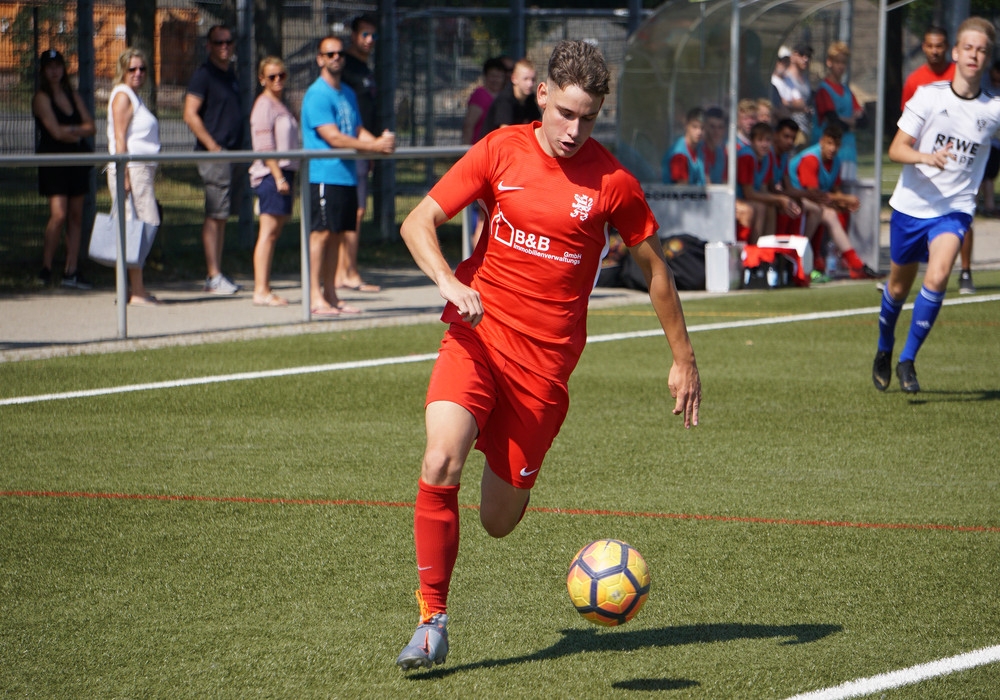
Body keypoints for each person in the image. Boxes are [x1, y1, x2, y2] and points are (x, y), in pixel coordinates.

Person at [394, 39, 701, 671]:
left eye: (588, 118)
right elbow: (416, 222)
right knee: (440, 458)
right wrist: (449, 283)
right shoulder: (499, 149)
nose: (573, 130)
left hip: (543, 373)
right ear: (542, 96)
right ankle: (431, 621)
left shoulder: (613, 183)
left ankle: (511, 472)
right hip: (477, 338)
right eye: (565, 113)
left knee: (498, 521)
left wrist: (683, 359)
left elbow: (657, 273)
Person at [872, 17, 1000, 394]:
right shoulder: (929, 96)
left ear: (988, 57)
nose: (974, 54)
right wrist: (925, 157)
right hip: (911, 206)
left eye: (982, 50)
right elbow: (896, 149)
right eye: (968, 47)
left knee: (939, 274)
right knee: (897, 289)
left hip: (954, 209)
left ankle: (907, 360)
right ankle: (884, 347)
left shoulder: (993, 109)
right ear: (955, 53)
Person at [300, 35, 395, 317]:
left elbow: (356, 130)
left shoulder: (348, 94)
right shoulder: (317, 94)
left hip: (346, 175)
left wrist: (380, 143)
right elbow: (333, 137)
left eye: (339, 53)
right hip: (323, 175)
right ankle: (314, 296)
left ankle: (331, 294)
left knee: (337, 235)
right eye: (330, 54)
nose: (336, 58)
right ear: (320, 59)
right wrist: (373, 147)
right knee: (320, 235)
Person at [901, 26, 974, 294]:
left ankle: (965, 271)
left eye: (939, 46)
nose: (934, 51)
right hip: (926, 161)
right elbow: (907, 124)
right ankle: (902, 275)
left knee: (962, 211)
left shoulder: (960, 75)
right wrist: (921, 155)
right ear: (923, 47)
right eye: (930, 46)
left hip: (959, 157)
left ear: (949, 49)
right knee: (918, 215)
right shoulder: (915, 81)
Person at [184, 24, 244, 295]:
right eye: (219, 42)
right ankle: (213, 274)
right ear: (209, 46)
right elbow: (190, 113)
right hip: (215, 155)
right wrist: (212, 146)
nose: (225, 46)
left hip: (232, 153)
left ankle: (217, 274)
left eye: (228, 41)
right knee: (214, 214)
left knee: (222, 216)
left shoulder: (230, 74)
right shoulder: (204, 75)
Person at [32, 49, 95, 289]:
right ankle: (46, 268)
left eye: (58, 66)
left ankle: (71, 270)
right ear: (43, 71)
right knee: (59, 215)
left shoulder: (72, 95)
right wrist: (76, 132)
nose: (55, 71)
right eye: (50, 67)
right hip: (54, 161)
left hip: (76, 161)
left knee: (76, 216)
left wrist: (72, 131)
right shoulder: (41, 98)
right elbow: (55, 132)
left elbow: (90, 127)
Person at [789, 122, 879, 280]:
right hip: (797, 198)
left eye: (836, 144)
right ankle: (806, 257)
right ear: (821, 141)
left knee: (840, 211)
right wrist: (844, 198)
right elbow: (813, 193)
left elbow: (834, 190)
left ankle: (844, 261)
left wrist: (842, 202)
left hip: (815, 200)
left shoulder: (836, 161)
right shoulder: (811, 159)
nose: (833, 148)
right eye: (829, 143)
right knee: (826, 213)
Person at [107, 48, 160, 305]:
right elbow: (120, 139)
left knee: (136, 227)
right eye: (132, 69)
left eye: (142, 69)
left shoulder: (134, 96)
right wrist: (124, 174)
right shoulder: (122, 96)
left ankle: (134, 289)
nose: (138, 73)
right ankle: (134, 290)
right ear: (123, 71)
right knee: (142, 225)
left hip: (143, 170)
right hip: (132, 169)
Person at [336, 14, 382, 293]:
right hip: (352, 147)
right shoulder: (347, 68)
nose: (369, 40)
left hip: (365, 148)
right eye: (364, 34)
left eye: (373, 35)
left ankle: (345, 270)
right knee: (354, 210)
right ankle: (347, 272)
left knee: (357, 210)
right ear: (353, 36)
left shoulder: (365, 68)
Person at [248, 56, 298, 307]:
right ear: (262, 79)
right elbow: (264, 145)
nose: (277, 80)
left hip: (285, 173)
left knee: (274, 233)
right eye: (271, 76)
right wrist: (278, 176)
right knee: (267, 233)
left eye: (282, 75)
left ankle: (265, 287)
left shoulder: (280, 104)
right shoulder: (263, 105)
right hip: (271, 175)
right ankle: (261, 290)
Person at [736, 121, 800, 243]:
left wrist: (781, 200)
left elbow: (763, 189)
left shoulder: (766, 158)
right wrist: (780, 199)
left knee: (770, 206)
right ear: (752, 141)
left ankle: (767, 248)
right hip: (738, 198)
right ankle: (754, 248)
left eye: (767, 140)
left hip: (748, 197)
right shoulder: (747, 156)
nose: (764, 144)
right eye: (760, 140)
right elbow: (749, 193)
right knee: (761, 207)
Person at [814, 42, 865, 181]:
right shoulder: (824, 90)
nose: (841, 66)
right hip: (830, 154)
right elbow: (834, 122)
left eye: (844, 62)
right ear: (829, 62)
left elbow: (863, 121)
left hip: (849, 151)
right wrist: (850, 121)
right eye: (837, 62)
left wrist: (843, 120)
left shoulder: (847, 91)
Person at [482, 58, 540, 135]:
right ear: (514, 79)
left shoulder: (530, 99)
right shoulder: (505, 100)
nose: (530, 84)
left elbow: (538, 126)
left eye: (533, 79)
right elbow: (505, 134)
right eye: (525, 79)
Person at [460, 56, 507, 145]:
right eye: (493, 76)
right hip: (479, 146)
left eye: (499, 76)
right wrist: (467, 148)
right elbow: (469, 124)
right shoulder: (480, 95)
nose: (496, 80)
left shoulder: (505, 96)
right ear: (485, 76)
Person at [662, 107, 706, 185]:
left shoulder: (700, 149)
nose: (699, 132)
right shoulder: (679, 155)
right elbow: (682, 189)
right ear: (686, 126)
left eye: (702, 128)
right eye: (694, 127)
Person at [783, 44, 814, 143]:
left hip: (804, 128)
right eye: (801, 55)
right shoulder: (786, 77)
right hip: (790, 128)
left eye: (808, 56)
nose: (805, 59)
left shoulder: (805, 79)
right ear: (793, 56)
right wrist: (799, 106)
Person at [701, 106, 728, 184]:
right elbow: (707, 185)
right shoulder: (699, 151)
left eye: (720, 127)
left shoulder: (723, 153)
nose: (716, 131)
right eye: (712, 126)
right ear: (705, 127)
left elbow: (725, 183)